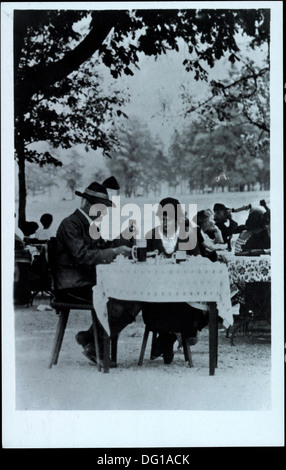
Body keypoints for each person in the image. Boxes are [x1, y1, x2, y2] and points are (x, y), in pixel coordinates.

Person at [54, 180, 141, 364]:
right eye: (101, 209)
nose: (104, 213)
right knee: (120, 299)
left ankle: (90, 338)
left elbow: (105, 246)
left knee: (133, 296)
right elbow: (82, 256)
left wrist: (124, 236)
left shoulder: (87, 225)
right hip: (72, 286)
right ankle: (95, 345)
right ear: (87, 204)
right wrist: (114, 252)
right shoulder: (70, 224)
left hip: (85, 282)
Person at [141, 197, 209, 365]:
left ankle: (166, 338)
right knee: (158, 302)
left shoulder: (188, 236)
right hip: (157, 295)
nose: (164, 221)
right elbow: (142, 266)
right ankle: (167, 337)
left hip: (183, 297)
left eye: (169, 217)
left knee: (189, 304)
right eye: (162, 216)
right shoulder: (151, 236)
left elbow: (198, 263)